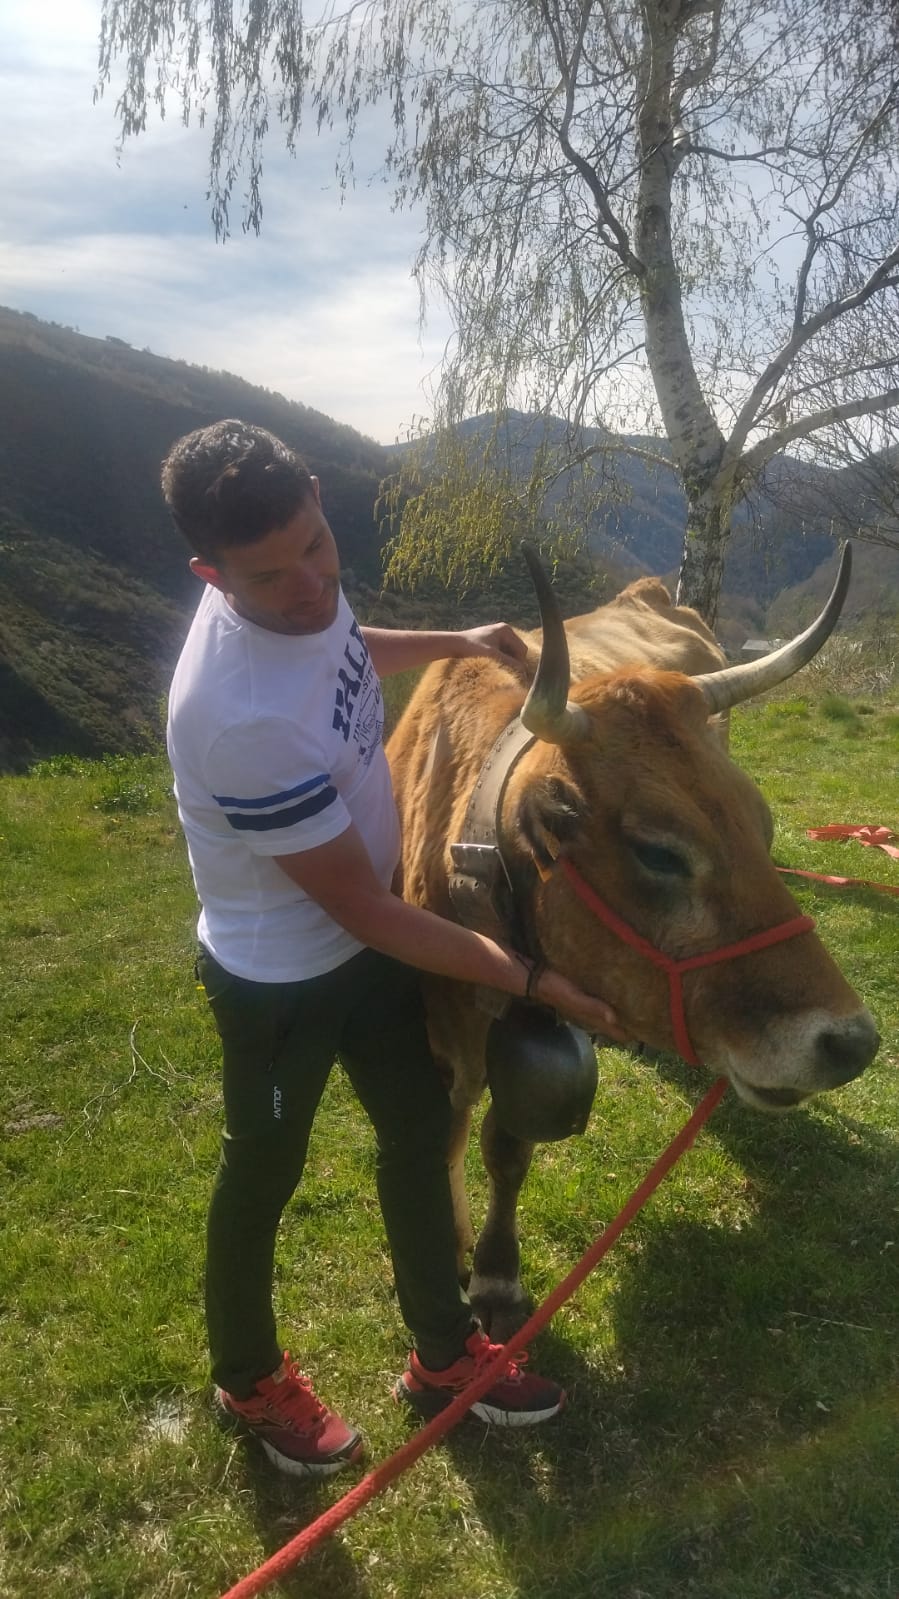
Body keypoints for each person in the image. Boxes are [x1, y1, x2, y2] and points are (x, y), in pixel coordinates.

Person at [163, 418, 625, 1479]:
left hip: (359, 941)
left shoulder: (294, 589)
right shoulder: (234, 718)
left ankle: (442, 1354)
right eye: (272, 575)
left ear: (317, 501)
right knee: (262, 1176)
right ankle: (248, 1376)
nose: (310, 585)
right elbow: (368, 919)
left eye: (317, 547)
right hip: (279, 980)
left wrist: (458, 640)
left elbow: (339, 651)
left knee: (420, 1132)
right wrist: (528, 978)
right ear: (210, 573)